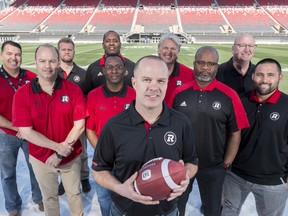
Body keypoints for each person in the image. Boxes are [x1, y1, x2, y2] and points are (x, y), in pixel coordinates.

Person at [92, 55, 198, 216]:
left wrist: (185, 177)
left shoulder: (181, 122)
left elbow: (192, 162)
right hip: (125, 211)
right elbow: (99, 170)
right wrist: (119, 188)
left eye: (160, 81)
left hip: (166, 211)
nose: (153, 87)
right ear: (134, 83)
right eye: (147, 80)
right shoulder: (114, 126)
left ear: (167, 84)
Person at [169, 46, 250, 216]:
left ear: (216, 67)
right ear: (194, 64)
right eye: (201, 63)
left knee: (213, 210)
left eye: (211, 64)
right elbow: (168, 127)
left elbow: (235, 133)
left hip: (213, 167)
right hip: (182, 165)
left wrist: (226, 163)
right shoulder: (179, 92)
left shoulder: (229, 94)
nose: (205, 67)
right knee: (176, 206)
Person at [12, 43, 86, 216]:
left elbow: (79, 125)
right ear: (35, 62)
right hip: (40, 158)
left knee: (74, 194)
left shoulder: (73, 89)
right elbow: (26, 131)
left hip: (70, 155)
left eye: (52, 61)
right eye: (42, 61)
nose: (47, 66)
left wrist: (61, 152)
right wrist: (57, 148)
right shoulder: (22, 94)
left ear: (59, 62)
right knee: (49, 197)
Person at [221, 58, 288, 216]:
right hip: (236, 176)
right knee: (229, 211)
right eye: (260, 74)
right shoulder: (240, 100)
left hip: (273, 182)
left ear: (280, 77)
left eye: (270, 75)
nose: (264, 80)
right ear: (253, 76)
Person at [86, 55, 136, 216]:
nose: (114, 70)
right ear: (103, 71)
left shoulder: (135, 95)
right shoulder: (93, 96)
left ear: (125, 71)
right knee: (104, 198)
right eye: (109, 67)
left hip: (129, 159)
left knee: (130, 196)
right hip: (103, 159)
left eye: (118, 67)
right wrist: (104, 152)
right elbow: (90, 130)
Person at [0, 41, 43, 216]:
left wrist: (28, 128)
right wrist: (16, 126)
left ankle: (39, 198)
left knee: (35, 169)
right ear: (2, 55)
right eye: (9, 54)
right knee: (7, 174)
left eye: (17, 54)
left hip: (31, 133)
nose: (14, 58)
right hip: (7, 134)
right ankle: (12, 206)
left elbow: (41, 105)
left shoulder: (32, 77)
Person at [57, 37, 91, 195]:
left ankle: (84, 177)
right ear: (58, 52)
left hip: (79, 123)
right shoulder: (53, 73)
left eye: (69, 49)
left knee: (82, 152)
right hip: (60, 122)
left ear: (74, 52)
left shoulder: (83, 75)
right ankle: (64, 179)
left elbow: (89, 98)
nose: (66, 52)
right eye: (63, 49)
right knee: (62, 150)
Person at [84, 30, 135, 94]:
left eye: (115, 41)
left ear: (120, 44)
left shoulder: (132, 67)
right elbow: (87, 95)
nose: (111, 43)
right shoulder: (92, 68)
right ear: (103, 45)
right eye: (107, 41)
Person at [157, 32, 194, 104]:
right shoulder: (148, 71)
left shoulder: (189, 74)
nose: (169, 51)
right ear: (159, 49)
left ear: (178, 51)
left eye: (173, 49)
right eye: (165, 48)